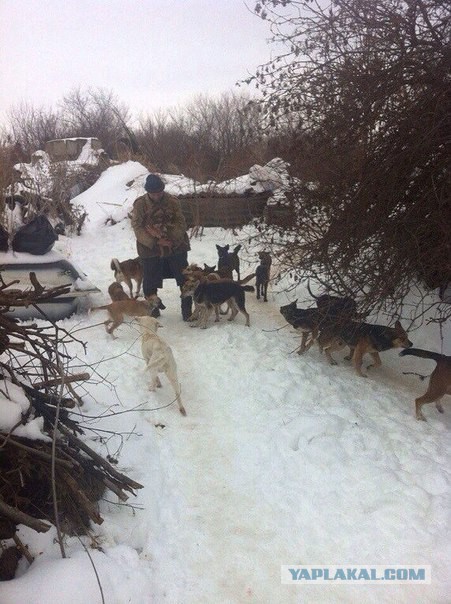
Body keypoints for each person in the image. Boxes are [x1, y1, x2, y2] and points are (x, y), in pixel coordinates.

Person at [131, 174, 192, 320]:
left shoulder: (172, 201)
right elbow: (137, 227)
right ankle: (152, 311)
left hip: (175, 244)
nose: (157, 195)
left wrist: (170, 238)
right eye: (153, 193)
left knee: (185, 277)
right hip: (150, 247)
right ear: (148, 192)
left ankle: (187, 312)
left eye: (159, 192)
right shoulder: (140, 204)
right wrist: (155, 242)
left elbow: (181, 223)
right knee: (150, 280)